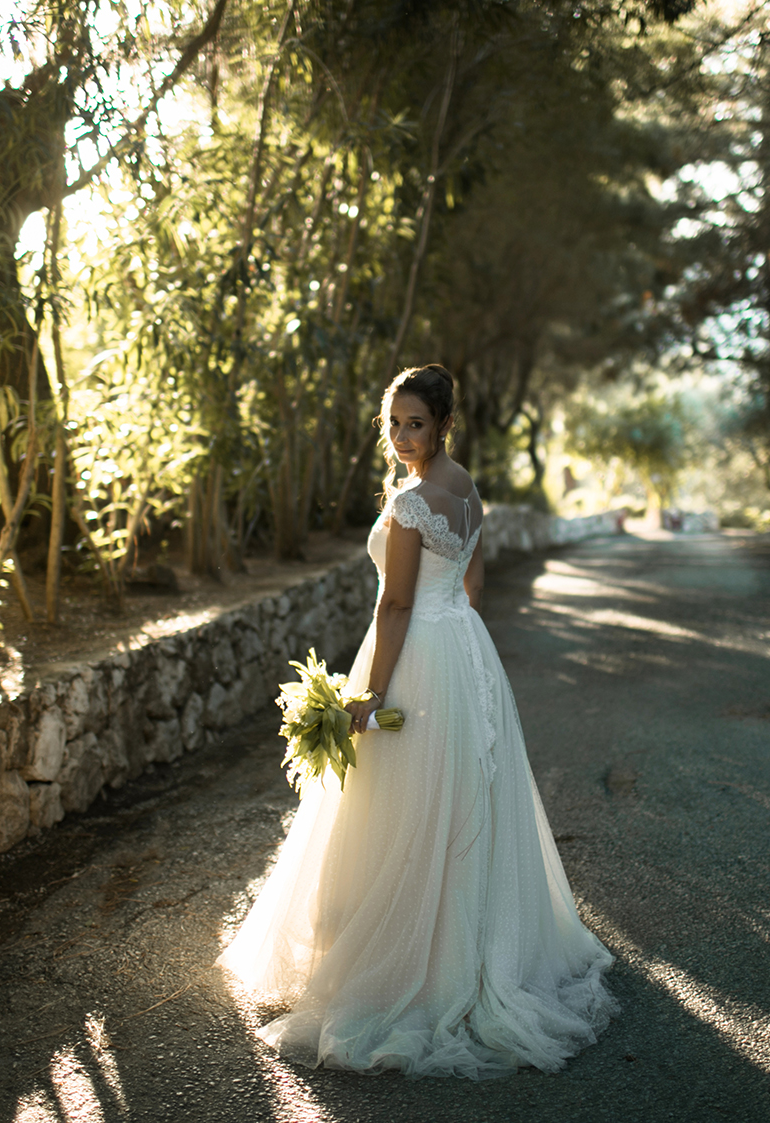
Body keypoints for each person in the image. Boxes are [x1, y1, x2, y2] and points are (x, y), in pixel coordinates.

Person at [218, 364, 615, 1077]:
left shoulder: (409, 502)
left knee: (403, 805)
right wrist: (457, 636)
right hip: (464, 650)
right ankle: (471, 948)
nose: (403, 436)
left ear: (442, 425)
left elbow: (395, 605)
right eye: (394, 422)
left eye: (416, 423)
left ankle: (410, 966)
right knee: (464, 800)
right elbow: (474, 583)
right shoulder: (464, 488)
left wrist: (369, 693)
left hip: (417, 654)